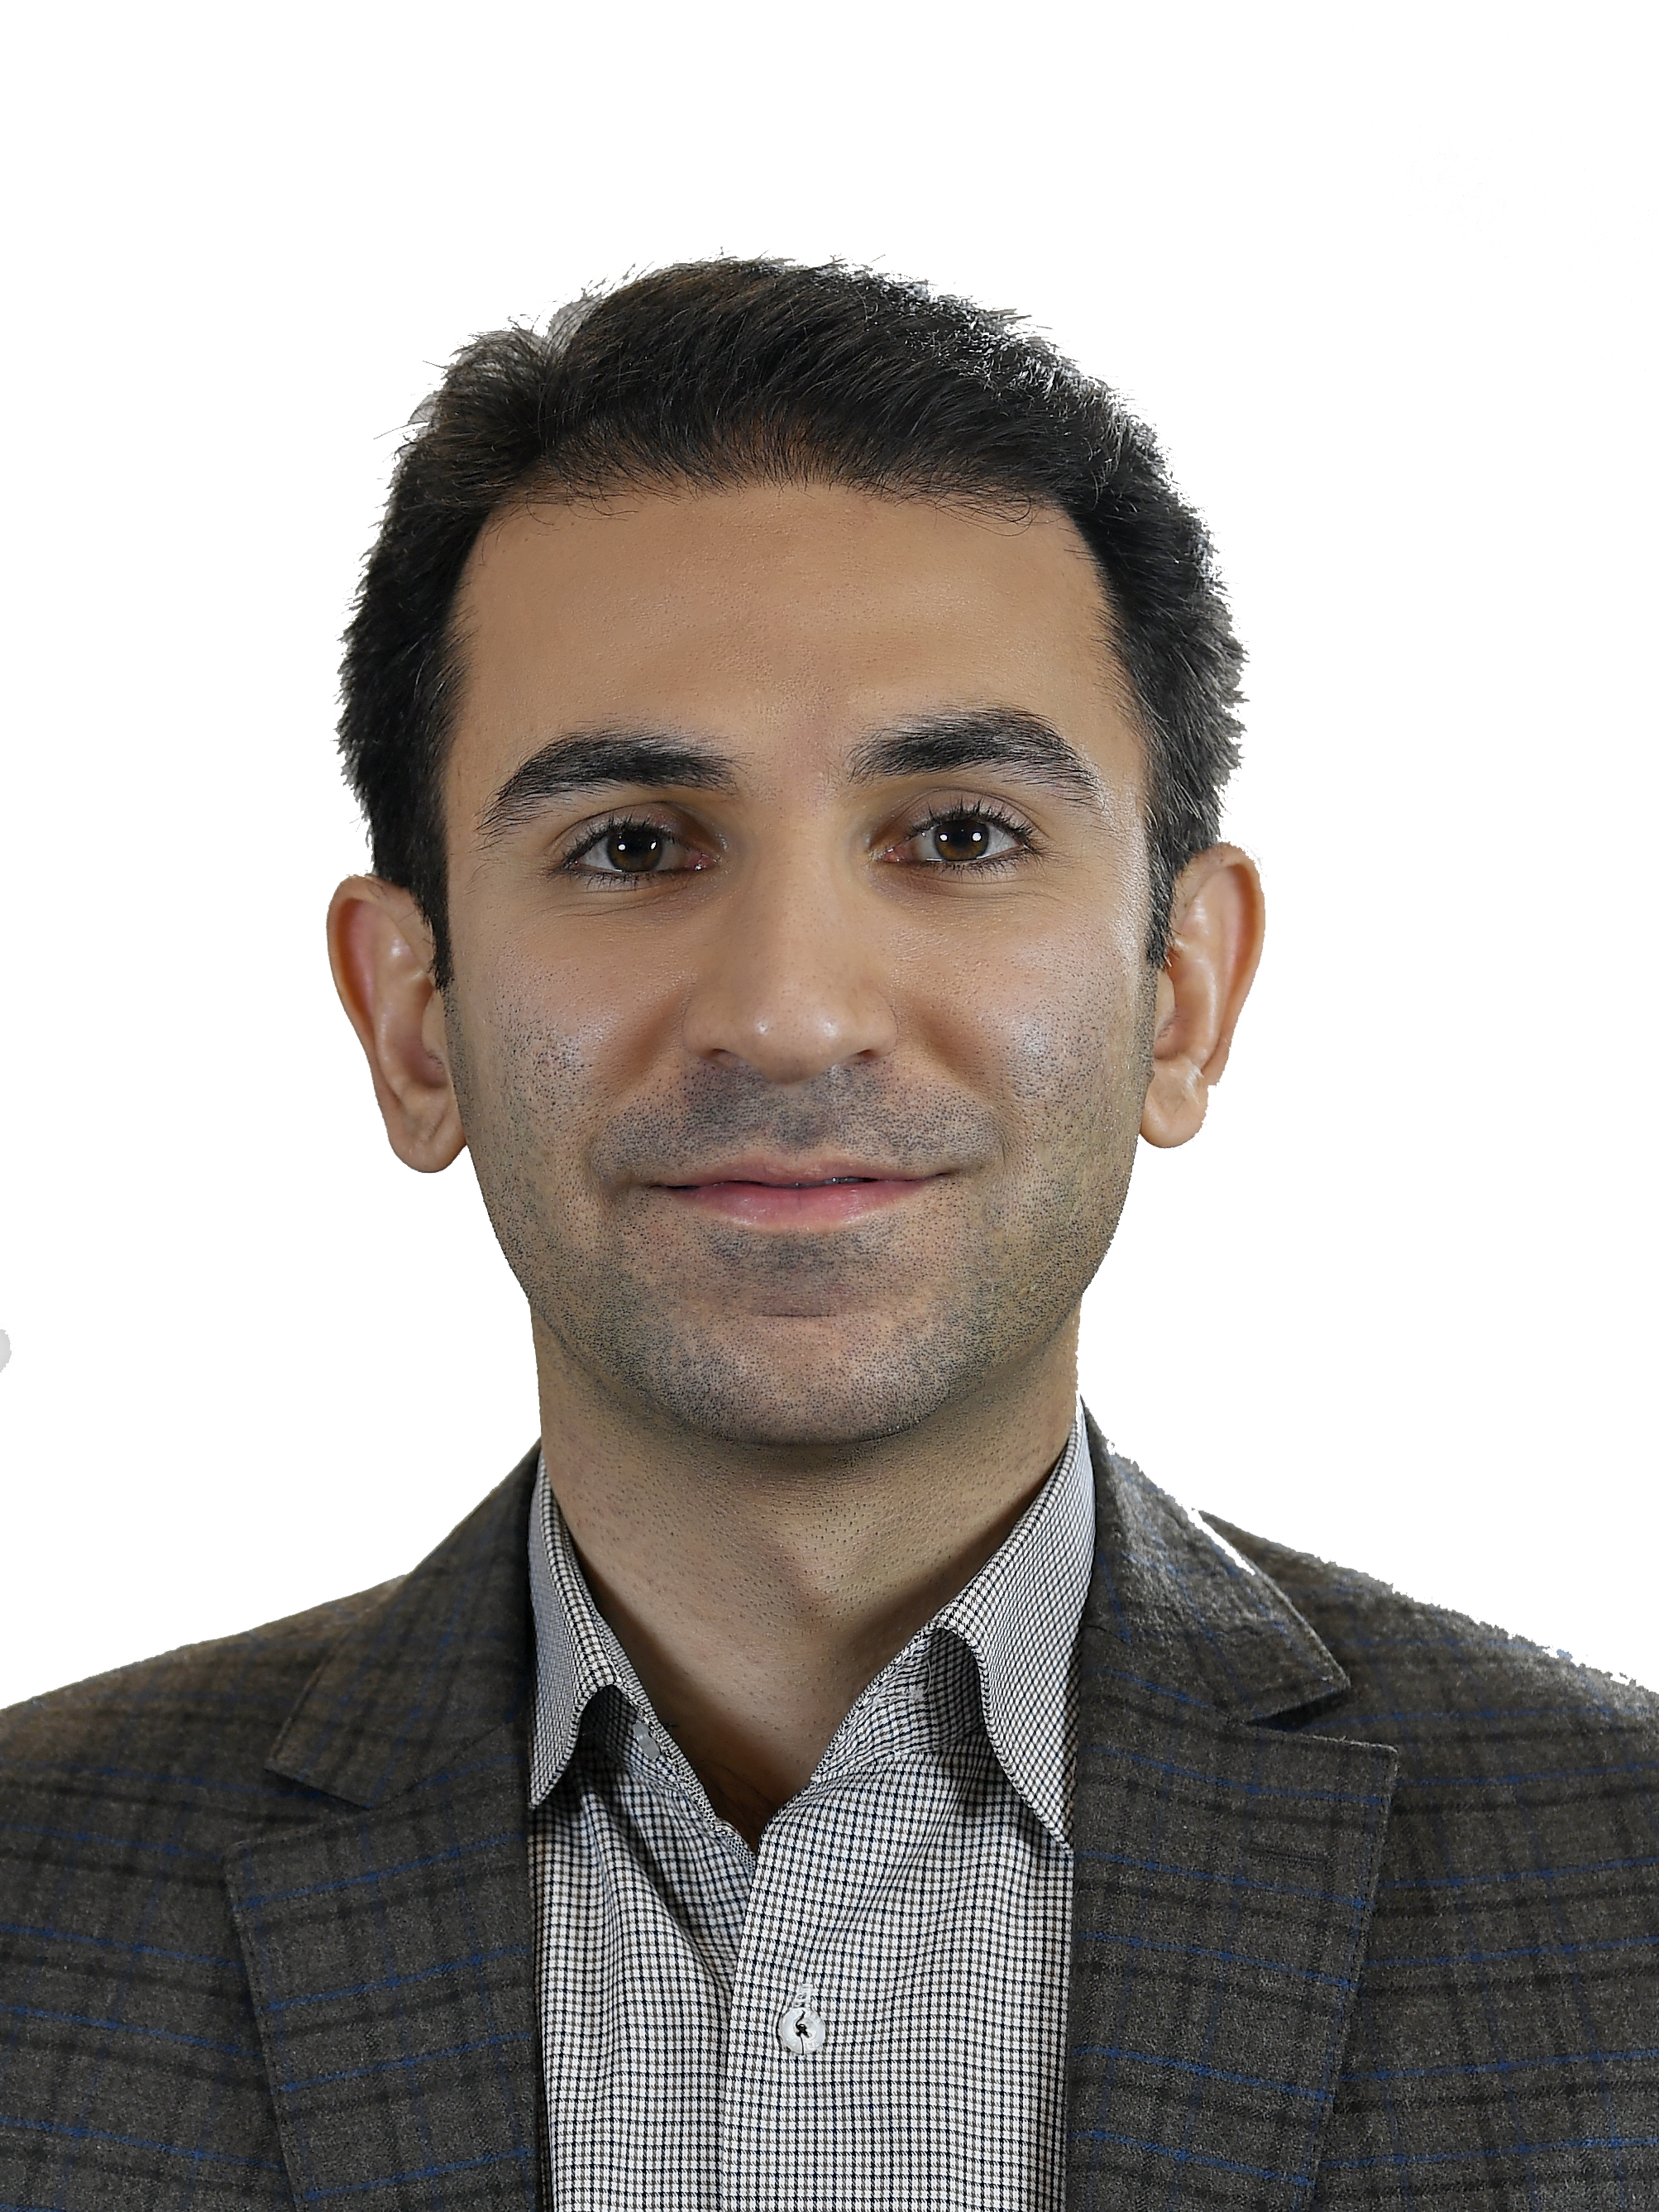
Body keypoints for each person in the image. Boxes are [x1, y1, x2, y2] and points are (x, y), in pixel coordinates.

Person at [1, 259, 1653, 2212]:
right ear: (413, 1020)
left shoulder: (1620, 1891)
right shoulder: (33, 1904)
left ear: (1183, 993)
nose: (789, 1011)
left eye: (957, 833)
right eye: (631, 844)